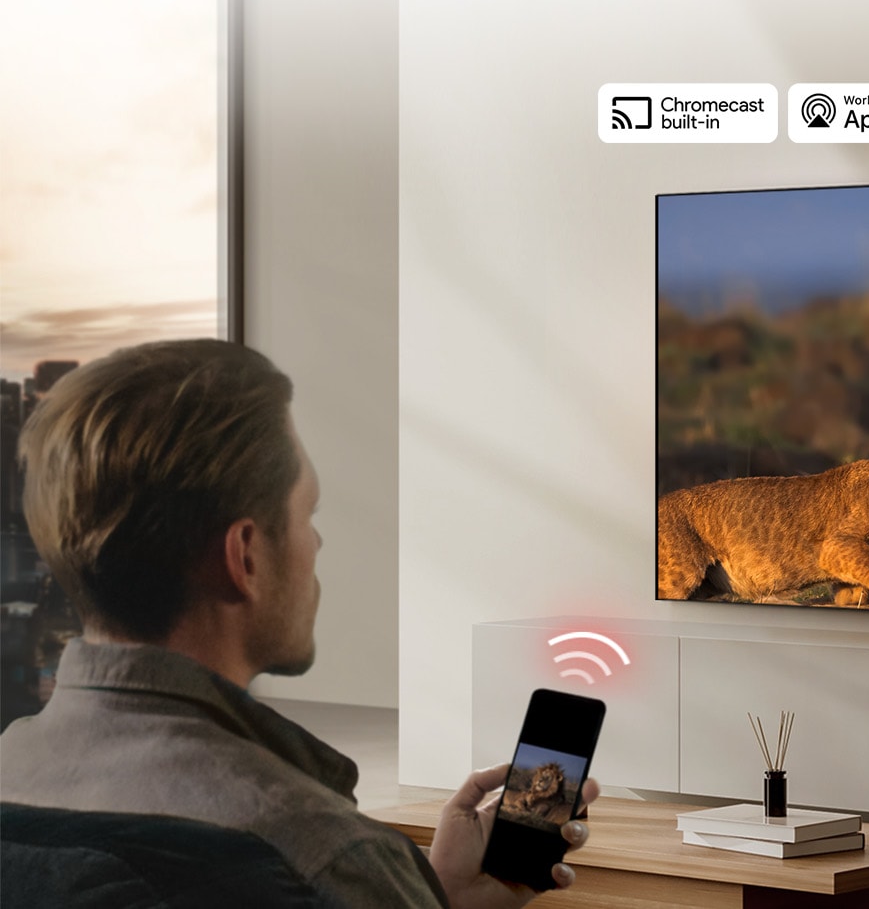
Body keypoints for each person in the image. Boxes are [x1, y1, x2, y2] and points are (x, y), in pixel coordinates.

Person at [0, 340, 594, 908]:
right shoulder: (321, 855)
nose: (316, 540)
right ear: (246, 557)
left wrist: (437, 897)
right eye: (307, 512)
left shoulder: (11, 770)